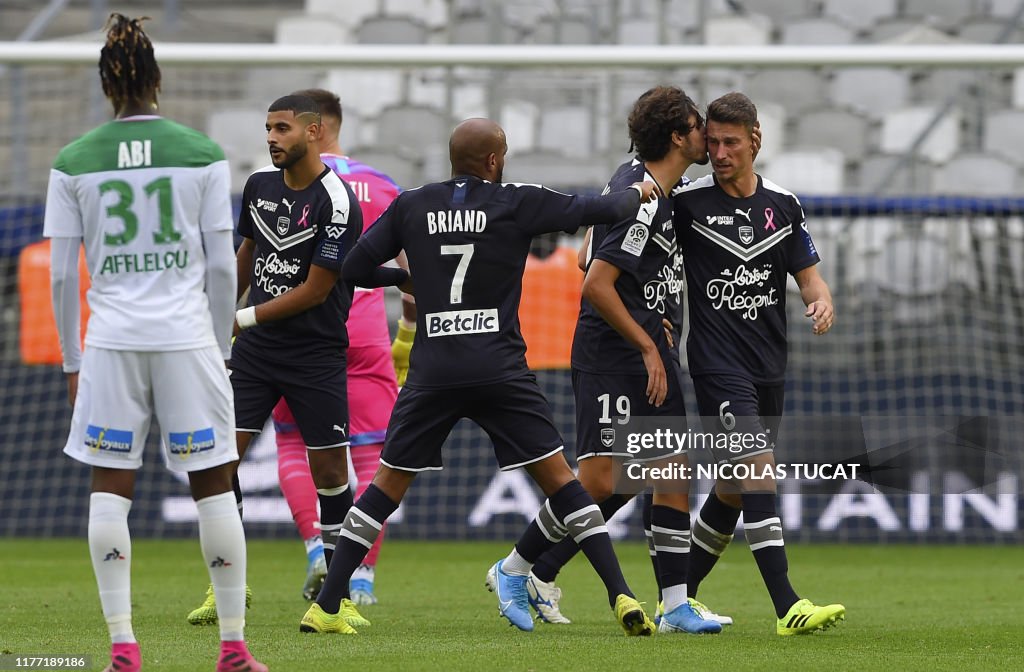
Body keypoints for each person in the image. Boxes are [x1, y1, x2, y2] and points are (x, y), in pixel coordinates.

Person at [299, 117, 659, 637]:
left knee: (384, 488)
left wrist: (404, 277)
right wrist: (641, 191)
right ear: (494, 160)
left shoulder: (412, 204)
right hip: (499, 368)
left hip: (434, 370)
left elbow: (352, 270)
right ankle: (621, 594)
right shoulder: (515, 200)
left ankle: (326, 607)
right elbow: (598, 209)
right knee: (561, 481)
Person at [43, 14, 267, 672]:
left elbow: (60, 274)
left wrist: (71, 361)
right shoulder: (199, 151)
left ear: (107, 82)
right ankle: (232, 647)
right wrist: (221, 338)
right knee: (214, 486)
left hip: (111, 341)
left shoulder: (73, 159)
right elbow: (225, 265)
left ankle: (122, 648)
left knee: (110, 489)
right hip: (186, 337)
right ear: (156, 78)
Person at [518, 86, 724, 635]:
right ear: (678, 136)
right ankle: (519, 568)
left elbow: (610, 264)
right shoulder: (644, 197)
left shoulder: (648, 183)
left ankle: (675, 604)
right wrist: (647, 343)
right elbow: (596, 284)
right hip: (614, 353)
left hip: (642, 346)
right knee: (604, 481)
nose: (707, 133)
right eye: (697, 124)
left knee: (669, 471)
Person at [184, 93, 365, 628]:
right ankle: (227, 589)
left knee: (330, 470)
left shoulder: (337, 199)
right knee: (219, 462)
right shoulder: (260, 186)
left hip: (315, 352)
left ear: (312, 133)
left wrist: (238, 320)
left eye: (282, 128)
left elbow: (315, 290)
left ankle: (339, 596)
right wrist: (216, 312)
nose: (271, 138)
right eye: (268, 128)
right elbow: (247, 255)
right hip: (257, 354)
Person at [673, 92, 845, 635]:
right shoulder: (686, 203)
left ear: (755, 140)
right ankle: (787, 605)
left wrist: (820, 298)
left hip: (768, 364)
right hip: (716, 364)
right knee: (756, 470)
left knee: (729, 489)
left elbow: (809, 274)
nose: (719, 152)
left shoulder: (784, 205)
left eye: (730, 142)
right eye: (713, 142)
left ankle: (678, 599)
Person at [270, 88, 410, 605]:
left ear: (312, 128)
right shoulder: (381, 186)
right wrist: (409, 335)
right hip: (365, 333)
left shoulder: (282, 184)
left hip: (297, 332)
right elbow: (408, 270)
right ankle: (364, 578)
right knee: (374, 453)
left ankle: (316, 552)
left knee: (293, 442)